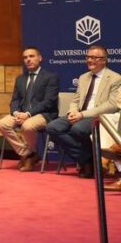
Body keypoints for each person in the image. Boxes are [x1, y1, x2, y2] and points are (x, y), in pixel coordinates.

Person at [46, 45, 121, 178]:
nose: (89, 60)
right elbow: (76, 99)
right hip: (79, 114)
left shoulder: (115, 78)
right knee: (53, 127)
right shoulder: (83, 77)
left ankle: (90, 163)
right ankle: (87, 160)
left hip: (99, 116)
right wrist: (72, 111)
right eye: (88, 57)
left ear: (104, 60)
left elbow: (111, 105)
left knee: (78, 129)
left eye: (94, 57)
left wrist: (82, 115)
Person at [0, 47, 59, 172]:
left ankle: (28, 157)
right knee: (2, 124)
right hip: (22, 113)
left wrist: (28, 114)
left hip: (43, 114)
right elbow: (15, 99)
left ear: (40, 58)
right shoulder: (20, 78)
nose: (28, 60)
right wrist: (15, 112)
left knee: (27, 126)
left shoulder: (51, 77)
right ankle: (29, 154)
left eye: (31, 56)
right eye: (25, 57)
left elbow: (48, 102)